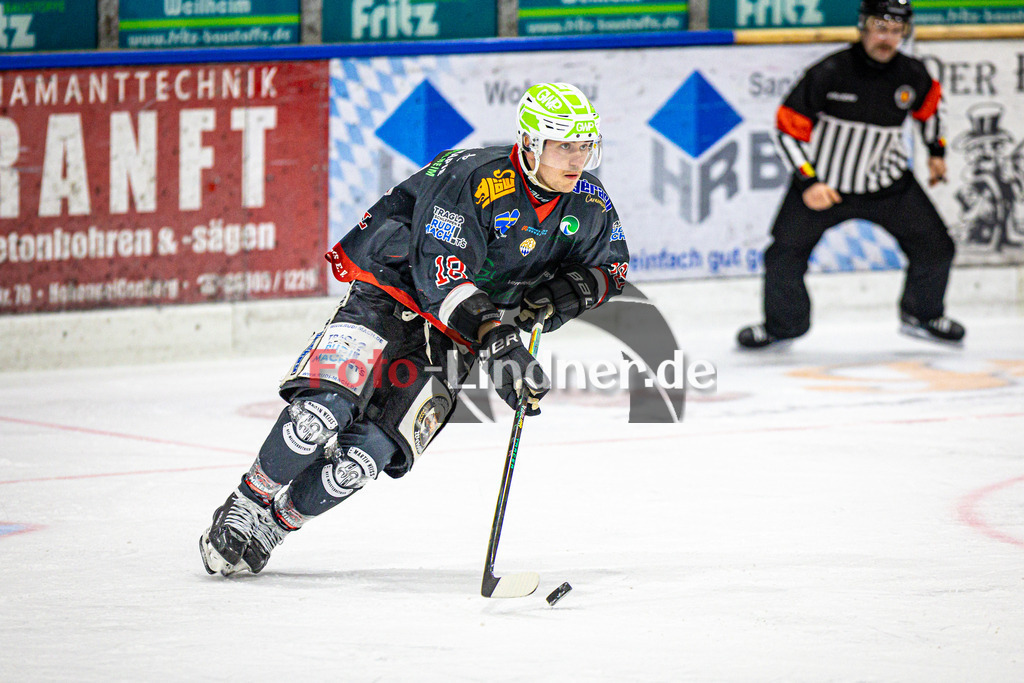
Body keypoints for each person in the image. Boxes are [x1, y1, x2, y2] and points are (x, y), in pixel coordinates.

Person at [199, 83, 630, 576]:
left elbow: (610, 268)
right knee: (321, 411)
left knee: (365, 457)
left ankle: (276, 525)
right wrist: (500, 340)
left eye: (584, 146)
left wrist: (567, 291)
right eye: (563, 145)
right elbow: (443, 273)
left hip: (459, 333)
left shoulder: (590, 202)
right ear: (530, 143)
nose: (576, 159)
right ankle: (247, 502)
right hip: (393, 293)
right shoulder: (472, 175)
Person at [737, 0, 965, 349]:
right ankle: (783, 327)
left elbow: (931, 108)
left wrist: (936, 152)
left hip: (888, 185)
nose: (886, 38)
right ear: (862, 26)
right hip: (825, 187)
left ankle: (922, 314)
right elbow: (787, 129)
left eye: (895, 30)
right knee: (783, 255)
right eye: (879, 27)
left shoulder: (913, 74)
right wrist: (809, 182)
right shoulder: (830, 71)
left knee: (936, 246)